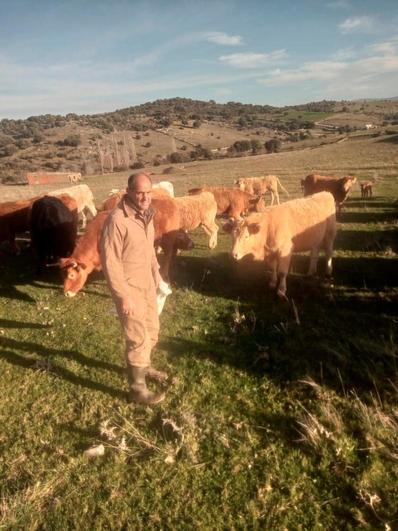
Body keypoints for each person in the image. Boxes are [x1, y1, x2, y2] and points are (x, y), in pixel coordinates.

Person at [100, 172, 165, 405]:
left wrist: (156, 272)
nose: (145, 197)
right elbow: (110, 263)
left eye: (148, 192)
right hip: (129, 288)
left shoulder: (146, 215)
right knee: (137, 336)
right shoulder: (117, 220)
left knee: (152, 329)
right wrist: (123, 296)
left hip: (147, 283)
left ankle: (144, 366)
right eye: (140, 193)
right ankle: (137, 390)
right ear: (128, 192)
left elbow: (149, 249)